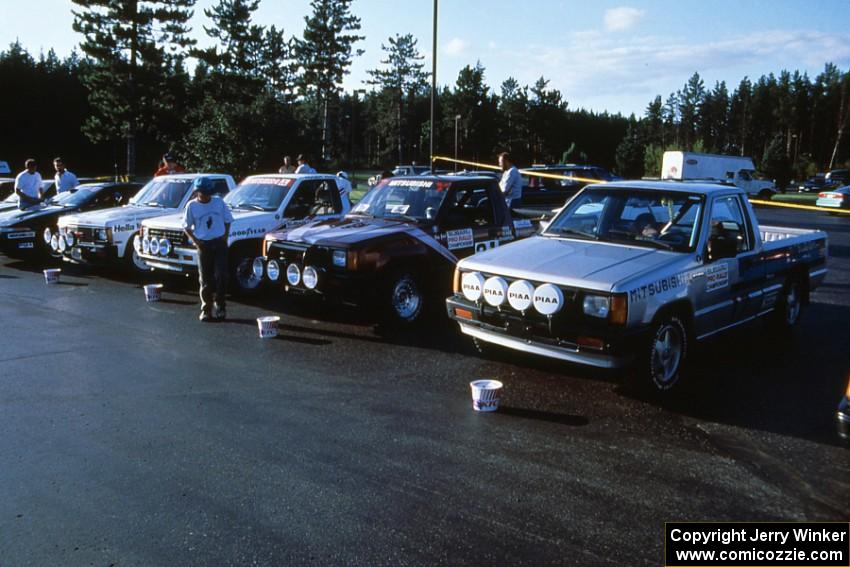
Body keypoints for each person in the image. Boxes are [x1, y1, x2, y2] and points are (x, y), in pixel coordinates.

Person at [182, 177, 233, 322]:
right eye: (204, 193)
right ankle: (206, 309)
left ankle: (221, 305)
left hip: (219, 243)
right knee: (205, 279)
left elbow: (228, 220)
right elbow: (186, 227)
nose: (207, 196)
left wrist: (225, 237)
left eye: (209, 193)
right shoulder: (191, 206)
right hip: (204, 244)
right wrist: (197, 242)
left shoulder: (218, 202)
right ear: (197, 192)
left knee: (222, 275)